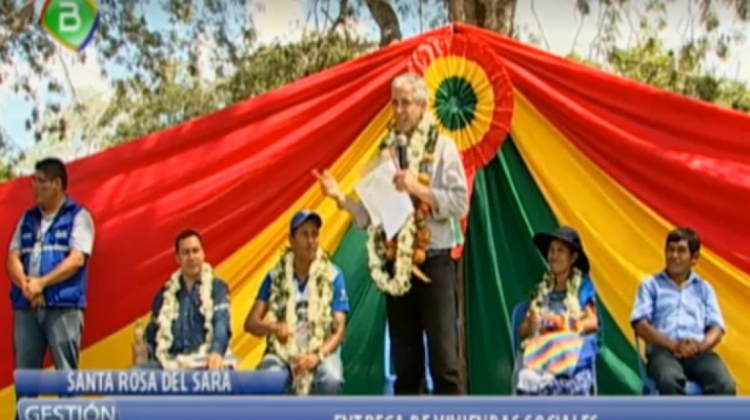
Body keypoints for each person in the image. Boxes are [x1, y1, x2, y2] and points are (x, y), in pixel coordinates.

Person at [315, 73, 468, 395]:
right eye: (394, 102)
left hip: (435, 264)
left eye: (405, 103)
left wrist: (417, 188)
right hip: (397, 267)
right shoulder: (385, 153)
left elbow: (459, 202)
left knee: (445, 366)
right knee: (406, 367)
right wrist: (339, 198)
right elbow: (371, 217)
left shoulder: (442, 147)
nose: (398, 110)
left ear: (423, 106)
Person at [7, 157, 95, 380]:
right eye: (34, 181)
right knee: (26, 378)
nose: (34, 187)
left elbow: (76, 260)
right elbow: (12, 257)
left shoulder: (78, 216)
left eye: (41, 181)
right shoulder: (27, 218)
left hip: (63, 307)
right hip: (26, 307)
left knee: (66, 375)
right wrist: (26, 285)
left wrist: (41, 283)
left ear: (57, 184)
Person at [245, 210, 349, 395]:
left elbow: (339, 331)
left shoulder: (333, 275)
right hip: (281, 354)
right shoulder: (275, 276)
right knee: (267, 377)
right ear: (291, 240)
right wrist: (274, 328)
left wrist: (317, 356)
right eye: (304, 234)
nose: (311, 241)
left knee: (331, 378)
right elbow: (251, 323)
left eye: (315, 234)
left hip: (320, 352)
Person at [630, 228, 736, 395]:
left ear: (694, 259)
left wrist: (699, 347)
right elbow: (640, 325)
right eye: (670, 250)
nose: (674, 256)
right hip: (663, 353)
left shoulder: (704, 288)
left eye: (681, 251)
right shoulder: (651, 285)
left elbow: (717, 328)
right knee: (669, 381)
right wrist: (673, 345)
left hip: (699, 353)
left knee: (724, 384)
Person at [514, 226, 599, 395]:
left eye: (560, 251)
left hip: (570, 354)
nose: (554, 256)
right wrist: (531, 324)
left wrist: (565, 324)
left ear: (573, 257)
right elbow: (522, 332)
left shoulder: (582, 288)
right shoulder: (539, 291)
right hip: (541, 356)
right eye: (551, 250)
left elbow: (592, 322)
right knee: (526, 375)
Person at [134, 229, 232, 370]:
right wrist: (143, 351)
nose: (191, 257)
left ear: (203, 254)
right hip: (169, 365)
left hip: (204, 362)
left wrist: (216, 352)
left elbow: (221, 323)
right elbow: (152, 333)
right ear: (177, 258)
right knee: (134, 374)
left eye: (195, 251)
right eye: (186, 252)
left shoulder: (217, 288)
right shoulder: (165, 293)